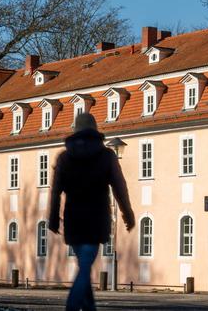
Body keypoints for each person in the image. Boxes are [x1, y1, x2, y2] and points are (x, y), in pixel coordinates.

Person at [50, 113, 134, 311]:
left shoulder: (64, 157)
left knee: (84, 266)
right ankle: (71, 308)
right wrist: (127, 213)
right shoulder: (106, 156)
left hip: (73, 220)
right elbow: (119, 187)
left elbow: (55, 191)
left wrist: (53, 218)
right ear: (95, 130)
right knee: (86, 266)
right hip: (97, 219)